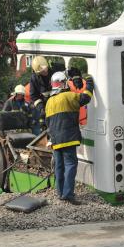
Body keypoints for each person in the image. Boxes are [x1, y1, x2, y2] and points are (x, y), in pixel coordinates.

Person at [45, 71, 94, 205]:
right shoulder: (69, 96)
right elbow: (86, 97)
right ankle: (68, 194)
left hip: (55, 140)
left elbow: (47, 123)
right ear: (64, 83)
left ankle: (61, 193)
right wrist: (88, 80)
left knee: (59, 167)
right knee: (70, 165)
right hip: (68, 138)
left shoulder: (49, 101)